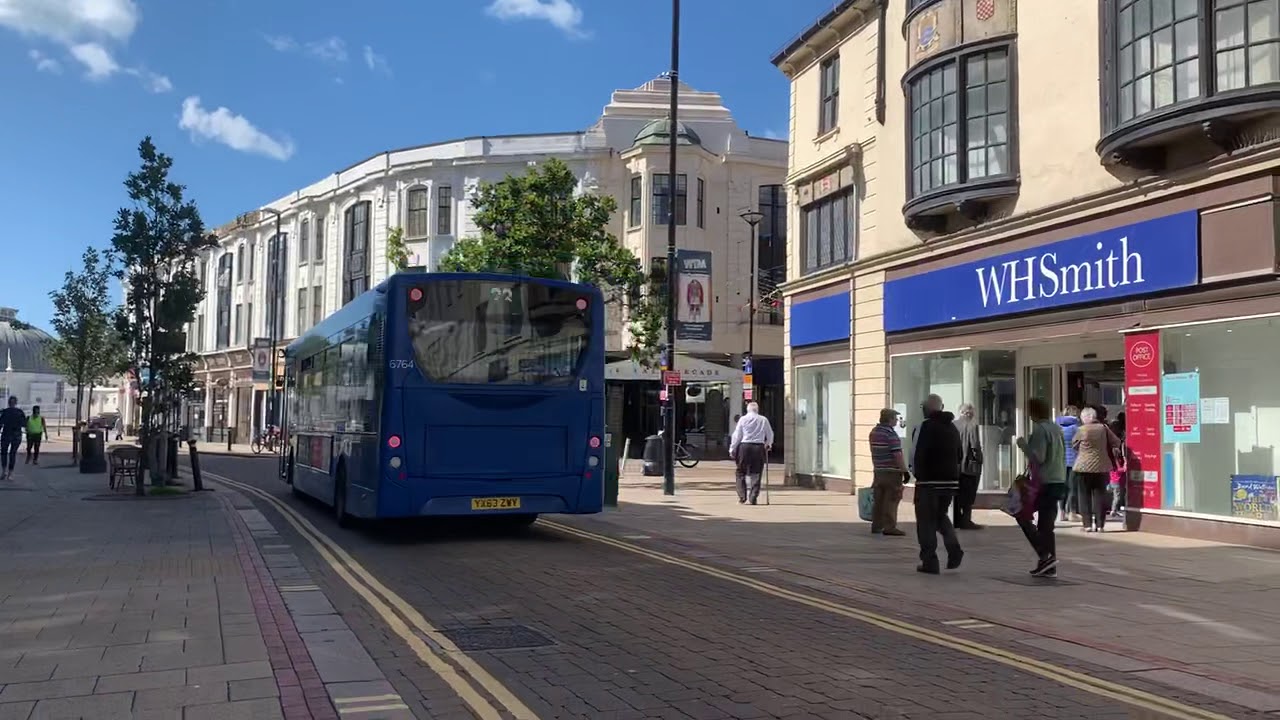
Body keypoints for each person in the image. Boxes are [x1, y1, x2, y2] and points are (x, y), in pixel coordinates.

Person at [911, 394, 963, 574]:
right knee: (940, 516)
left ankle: (929, 561)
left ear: (925, 409)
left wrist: (916, 474)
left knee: (926, 522)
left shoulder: (924, 426)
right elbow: (960, 454)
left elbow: (915, 453)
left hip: (928, 482)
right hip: (950, 482)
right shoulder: (952, 427)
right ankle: (954, 549)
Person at [1016, 397, 1067, 577]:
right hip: (1058, 479)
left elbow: (1038, 457)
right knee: (1047, 525)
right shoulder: (1056, 428)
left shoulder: (1041, 430)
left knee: (1022, 515)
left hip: (1044, 482)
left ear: (1033, 412)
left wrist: (1023, 446)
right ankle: (1048, 564)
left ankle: (1045, 555)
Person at [1071, 406, 1124, 533]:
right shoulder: (1103, 428)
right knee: (1100, 496)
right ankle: (1100, 525)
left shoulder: (1081, 430)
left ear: (1084, 418)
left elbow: (1074, 445)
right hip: (1101, 466)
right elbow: (1117, 442)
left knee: (1084, 496)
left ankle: (1087, 525)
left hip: (1083, 467)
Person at [868, 408, 908, 536]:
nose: (896, 421)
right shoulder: (890, 434)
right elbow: (897, 455)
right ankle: (889, 526)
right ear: (890, 419)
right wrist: (904, 471)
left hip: (878, 470)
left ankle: (877, 525)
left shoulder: (874, 432)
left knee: (879, 500)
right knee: (891, 499)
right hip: (892, 472)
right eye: (895, 418)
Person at [730, 401, 774, 505]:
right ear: (757, 410)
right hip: (758, 447)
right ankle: (753, 496)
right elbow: (770, 434)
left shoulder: (743, 419)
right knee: (756, 472)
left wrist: (732, 448)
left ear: (747, 410)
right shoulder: (763, 419)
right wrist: (768, 444)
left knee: (740, 472)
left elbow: (737, 435)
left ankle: (742, 496)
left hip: (744, 446)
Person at [952, 403, 983, 530]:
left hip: (955, 466)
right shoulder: (972, 425)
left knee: (957, 494)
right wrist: (980, 459)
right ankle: (966, 521)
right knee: (968, 496)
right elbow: (975, 446)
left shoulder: (952, 425)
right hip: (969, 467)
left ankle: (956, 520)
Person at [1057, 406, 1081, 522]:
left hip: (1060, 461)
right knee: (1072, 488)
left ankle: (1061, 513)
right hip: (1074, 461)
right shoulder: (1076, 428)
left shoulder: (1057, 427)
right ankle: (1072, 512)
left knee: (1062, 487)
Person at [0, 397, 27, 481]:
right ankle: (10, 474)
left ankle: (4, 471)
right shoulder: (20, 412)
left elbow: (0, 423)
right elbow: (24, 424)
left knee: (4, 453)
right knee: (12, 454)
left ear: (9, 403)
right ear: (16, 403)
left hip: (6, 434)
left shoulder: (5, 412)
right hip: (16, 435)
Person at [1108, 412, 1127, 518]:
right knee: (1117, 495)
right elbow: (1118, 467)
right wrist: (1124, 468)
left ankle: (1115, 509)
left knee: (1117, 494)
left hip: (1114, 479)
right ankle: (1114, 509)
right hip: (1117, 479)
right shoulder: (1119, 444)